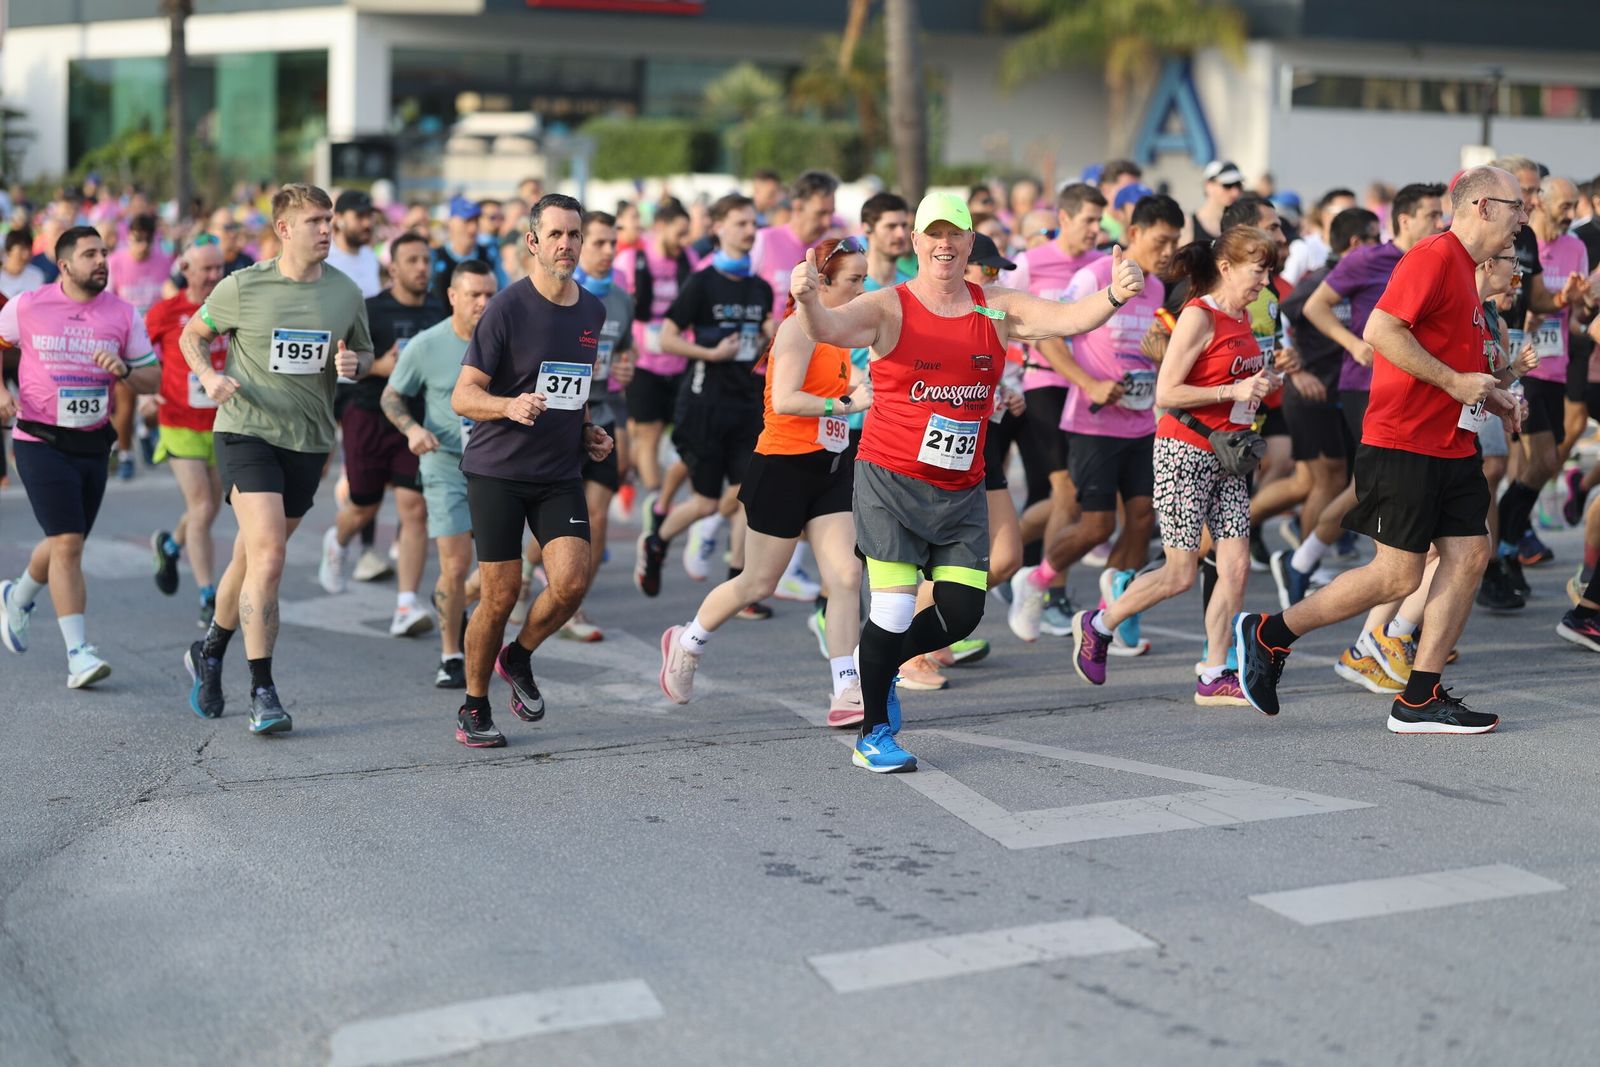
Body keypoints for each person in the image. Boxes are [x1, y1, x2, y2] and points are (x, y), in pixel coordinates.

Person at [790, 191, 1144, 773]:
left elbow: (1067, 318)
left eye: (955, 234)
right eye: (933, 234)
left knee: (961, 613)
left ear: (969, 241)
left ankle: (878, 664)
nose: (944, 245)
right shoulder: (888, 305)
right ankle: (874, 732)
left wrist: (1114, 295)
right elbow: (829, 327)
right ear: (916, 242)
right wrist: (807, 300)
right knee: (894, 610)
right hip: (891, 480)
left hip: (960, 486)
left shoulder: (996, 307)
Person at [1235, 166, 1528, 735]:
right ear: (1484, 207)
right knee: (1396, 577)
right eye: (1517, 206)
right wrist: (1455, 382)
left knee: (1471, 553)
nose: (1523, 218)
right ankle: (1270, 634)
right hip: (1404, 441)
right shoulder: (1432, 257)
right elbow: (1382, 332)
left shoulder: (1468, 274)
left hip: (1452, 444)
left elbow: (1458, 366)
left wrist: (1495, 397)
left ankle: (1420, 696)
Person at [178, 184, 374, 734]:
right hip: (246, 431)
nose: (327, 229)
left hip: (308, 441)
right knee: (268, 556)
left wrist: (356, 364)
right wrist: (209, 375)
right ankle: (262, 690)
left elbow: (364, 351)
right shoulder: (244, 285)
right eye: (315, 221)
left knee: (250, 557)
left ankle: (209, 651)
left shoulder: (345, 292)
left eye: (329, 220)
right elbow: (193, 335)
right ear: (284, 229)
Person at [659, 235, 871, 723]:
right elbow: (785, 399)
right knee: (756, 583)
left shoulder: (841, 331)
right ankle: (687, 642)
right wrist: (844, 404)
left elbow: (845, 381)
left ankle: (846, 688)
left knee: (846, 576)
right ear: (822, 282)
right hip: (783, 467)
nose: (862, 289)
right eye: (854, 279)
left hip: (830, 467)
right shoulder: (798, 328)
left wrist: (862, 385)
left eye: (865, 278)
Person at [1068, 226, 1276, 705]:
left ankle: (1213, 671)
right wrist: (1234, 390)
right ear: (1226, 267)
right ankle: (1100, 624)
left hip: (1230, 454)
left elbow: (1235, 377)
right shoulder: (1199, 315)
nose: (1264, 281)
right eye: (1258, 270)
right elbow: (1167, 392)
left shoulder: (1242, 316)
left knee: (1236, 565)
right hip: (1184, 452)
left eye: (1268, 271)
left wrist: (1263, 381)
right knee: (1180, 573)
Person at [448, 193, 615, 749]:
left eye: (575, 234)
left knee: (570, 585)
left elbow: (574, 388)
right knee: (500, 594)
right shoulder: (506, 308)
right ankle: (473, 707)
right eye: (557, 234)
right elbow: (463, 396)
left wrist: (588, 431)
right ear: (533, 242)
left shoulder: (593, 311)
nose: (567, 244)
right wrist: (508, 405)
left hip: (558, 471)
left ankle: (518, 656)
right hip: (497, 470)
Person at [1008, 195, 1184, 659]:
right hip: (1093, 423)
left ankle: (1111, 615)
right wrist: (1089, 383)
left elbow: (1150, 353)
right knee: (1096, 526)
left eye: (1175, 242)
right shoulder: (1094, 276)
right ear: (1135, 233)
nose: (1169, 251)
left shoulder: (1157, 289)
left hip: (1140, 422)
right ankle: (1038, 579)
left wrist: (1159, 357)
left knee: (1142, 519)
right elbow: (1048, 334)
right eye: (1161, 241)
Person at [0, 226, 160, 687]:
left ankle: (17, 596)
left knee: (63, 541)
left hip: (92, 443)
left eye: (104, 253)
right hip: (38, 439)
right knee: (68, 542)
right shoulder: (27, 306)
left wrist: (124, 370)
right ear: (65, 265)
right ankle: (78, 654)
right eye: (90, 254)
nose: (102, 261)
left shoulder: (122, 314)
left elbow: (153, 378)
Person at [634, 194, 774, 601]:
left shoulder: (760, 288)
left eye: (753, 224)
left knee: (749, 493)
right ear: (718, 228)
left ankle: (738, 582)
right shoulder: (702, 282)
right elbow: (668, 338)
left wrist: (769, 336)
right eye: (741, 223)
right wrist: (710, 354)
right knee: (706, 504)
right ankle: (657, 541)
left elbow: (759, 341)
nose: (750, 231)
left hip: (746, 402)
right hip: (704, 404)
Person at [318, 232, 444, 639]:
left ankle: (406, 604)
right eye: (412, 260)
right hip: (368, 415)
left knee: (414, 509)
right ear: (393, 268)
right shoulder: (370, 309)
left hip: (416, 419)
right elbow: (343, 364)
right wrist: (379, 367)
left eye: (426, 260)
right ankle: (338, 540)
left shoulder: (440, 310)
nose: (422, 268)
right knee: (363, 506)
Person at [383, 260, 498, 690]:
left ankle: (453, 600)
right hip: (445, 463)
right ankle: (451, 655)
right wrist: (413, 430)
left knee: (505, 568)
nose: (483, 303)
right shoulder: (426, 345)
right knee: (455, 563)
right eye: (474, 295)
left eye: (490, 295)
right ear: (452, 296)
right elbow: (392, 396)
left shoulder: (507, 342)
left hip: (497, 464)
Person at [1005, 182, 1109, 634]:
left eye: (1099, 221)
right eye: (1088, 219)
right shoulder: (1029, 263)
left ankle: (1002, 554)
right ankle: (1051, 595)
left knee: (1078, 497)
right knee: (1065, 492)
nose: (1095, 229)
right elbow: (997, 316)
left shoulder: (1101, 264)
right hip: (1041, 383)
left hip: (1088, 389)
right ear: (1064, 218)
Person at [145, 237, 230, 629]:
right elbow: (137, 354)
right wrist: (146, 392)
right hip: (178, 422)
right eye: (206, 269)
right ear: (185, 269)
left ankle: (170, 544)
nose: (214, 275)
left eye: (219, 268)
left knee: (207, 510)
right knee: (202, 508)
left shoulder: (232, 307)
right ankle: (208, 595)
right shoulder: (166, 311)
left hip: (222, 422)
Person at [560, 209, 635, 641]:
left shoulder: (622, 299)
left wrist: (625, 368)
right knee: (558, 520)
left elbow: (624, 352)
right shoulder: (562, 292)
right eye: (599, 243)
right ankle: (529, 574)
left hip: (602, 414)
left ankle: (574, 608)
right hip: (561, 418)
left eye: (614, 244)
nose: (608, 252)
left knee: (597, 516)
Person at [616, 200, 692, 533]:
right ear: (660, 227)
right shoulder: (632, 260)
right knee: (648, 434)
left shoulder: (688, 260)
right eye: (680, 233)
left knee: (680, 436)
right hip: (644, 362)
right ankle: (655, 499)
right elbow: (617, 304)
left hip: (679, 361)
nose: (684, 241)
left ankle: (647, 486)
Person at [106, 213, 173, 479]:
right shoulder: (115, 262)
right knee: (125, 405)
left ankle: (147, 430)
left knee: (158, 403)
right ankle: (126, 455)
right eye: (137, 239)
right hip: (125, 346)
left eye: (147, 240)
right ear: (128, 237)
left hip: (158, 347)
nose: (142, 246)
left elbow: (172, 300)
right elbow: (106, 303)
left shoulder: (165, 261)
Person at [751, 171, 839, 320]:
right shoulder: (764, 240)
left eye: (831, 213)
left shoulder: (832, 249)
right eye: (821, 213)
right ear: (798, 207)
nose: (827, 222)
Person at [324, 189, 381, 298]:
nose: (367, 223)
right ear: (339, 218)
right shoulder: (325, 260)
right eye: (359, 216)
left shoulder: (370, 256)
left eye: (369, 216)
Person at [1190, 161, 1245, 245]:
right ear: (1208, 185)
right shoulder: (1188, 226)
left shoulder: (1242, 225)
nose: (1235, 193)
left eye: (1238, 185)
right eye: (1227, 185)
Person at [0, 228, 46, 299]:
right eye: (22, 249)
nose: (26, 254)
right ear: (9, 250)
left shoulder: (37, 275)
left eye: (29, 249)